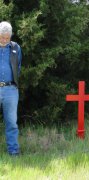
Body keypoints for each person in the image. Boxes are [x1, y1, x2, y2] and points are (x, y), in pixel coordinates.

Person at [0, 21, 22, 156]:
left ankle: (13, 152)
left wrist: (12, 84)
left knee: (12, 123)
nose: (4, 40)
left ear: (10, 37)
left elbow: (18, 67)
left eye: (7, 38)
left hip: (10, 90)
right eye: (1, 37)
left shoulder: (16, 48)